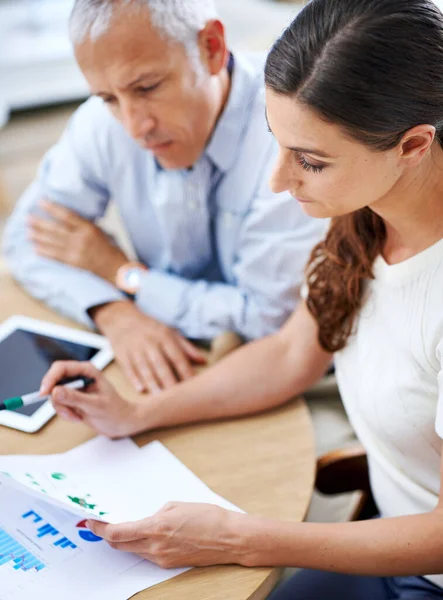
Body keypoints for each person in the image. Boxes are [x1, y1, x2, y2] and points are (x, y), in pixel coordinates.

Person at [39, 0, 443, 597]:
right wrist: (136, 413)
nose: (279, 182)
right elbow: (288, 355)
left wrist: (240, 536)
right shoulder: (363, 214)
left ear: (412, 145)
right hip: (391, 540)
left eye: (309, 161)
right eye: (276, 142)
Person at [2, 0, 324, 395]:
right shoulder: (103, 125)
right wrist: (114, 312)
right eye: (108, 98)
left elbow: (268, 319)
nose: (135, 126)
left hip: (292, 381)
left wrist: (123, 273)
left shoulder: (291, 135)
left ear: (212, 48)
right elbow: (23, 240)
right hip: (164, 358)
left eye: (148, 88)